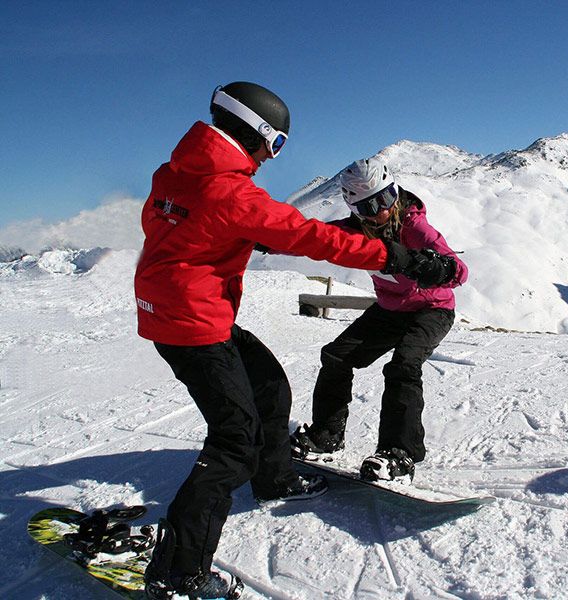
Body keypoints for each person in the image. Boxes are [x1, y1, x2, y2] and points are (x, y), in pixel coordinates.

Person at [135, 83, 450, 600]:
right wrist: (397, 258)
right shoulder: (233, 191)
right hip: (191, 322)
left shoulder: (176, 173)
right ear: (260, 134)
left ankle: (275, 476)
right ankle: (178, 574)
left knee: (269, 387)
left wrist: (227, 237)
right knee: (233, 443)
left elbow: (172, 222)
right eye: (277, 143)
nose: (273, 155)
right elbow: (313, 238)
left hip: (185, 310)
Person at [290, 157, 467, 482]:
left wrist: (434, 267)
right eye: (370, 206)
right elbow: (309, 237)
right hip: (390, 310)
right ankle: (327, 436)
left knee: (404, 364)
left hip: (432, 309)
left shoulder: (413, 226)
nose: (382, 211)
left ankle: (399, 454)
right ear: (355, 209)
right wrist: (263, 239)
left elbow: (458, 270)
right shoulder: (353, 232)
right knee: (336, 356)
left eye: (386, 198)